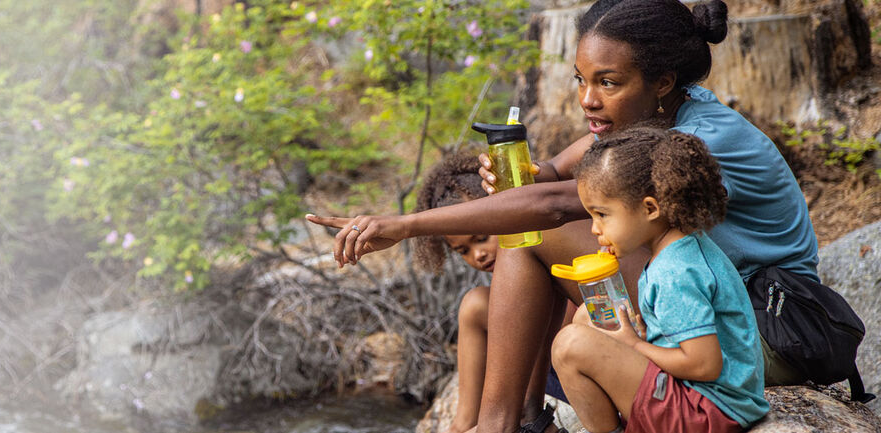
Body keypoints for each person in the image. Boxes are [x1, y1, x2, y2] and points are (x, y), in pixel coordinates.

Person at [305, 1, 816, 431]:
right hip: (711, 308)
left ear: (661, 80)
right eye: (581, 80)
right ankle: (522, 420)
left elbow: (552, 206)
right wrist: (527, 171)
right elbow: (552, 175)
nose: (588, 100)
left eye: (608, 82)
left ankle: (503, 423)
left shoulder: (704, 138)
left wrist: (404, 226)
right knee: (542, 259)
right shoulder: (660, 113)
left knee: (531, 236)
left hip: (765, 328)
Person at [552, 127, 767, 433]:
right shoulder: (680, 248)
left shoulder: (674, 272)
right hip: (706, 398)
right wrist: (641, 336)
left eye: (602, 215)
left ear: (650, 208)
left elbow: (705, 365)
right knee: (589, 316)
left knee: (568, 345)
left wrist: (635, 346)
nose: (594, 229)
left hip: (706, 411)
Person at [414, 153, 576, 433]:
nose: (478, 255)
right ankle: (463, 425)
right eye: (462, 250)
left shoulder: (550, 243)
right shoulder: (486, 300)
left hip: (568, 376)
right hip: (534, 382)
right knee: (474, 303)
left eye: (482, 237)